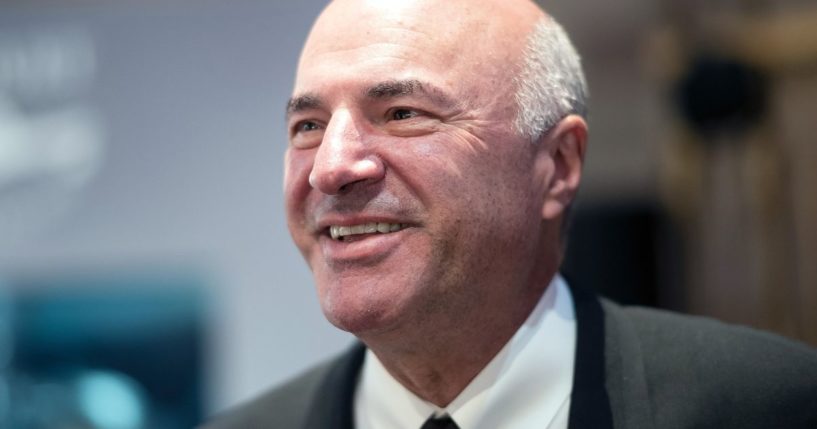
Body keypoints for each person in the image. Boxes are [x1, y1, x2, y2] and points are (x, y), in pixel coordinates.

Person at [202, 0, 817, 428]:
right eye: (308, 126)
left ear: (557, 164)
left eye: (402, 113)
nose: (330, 167)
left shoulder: (772, 406)